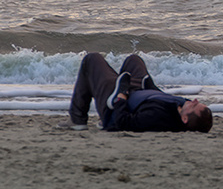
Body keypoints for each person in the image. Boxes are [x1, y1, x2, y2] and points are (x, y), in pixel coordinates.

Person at [68, 52, 213, 132]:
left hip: (114, 103)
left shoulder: (157, 117)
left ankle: (77, 120)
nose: (194, 101)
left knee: (92, 59)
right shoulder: (182, 108)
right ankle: (144, 85)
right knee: (134, 59)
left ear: (185, 119)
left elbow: (123, 122)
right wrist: (152, 89)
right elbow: (162, 100)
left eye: (194, 106)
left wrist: (122, 96)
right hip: (140, 92)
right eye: (198, 103)